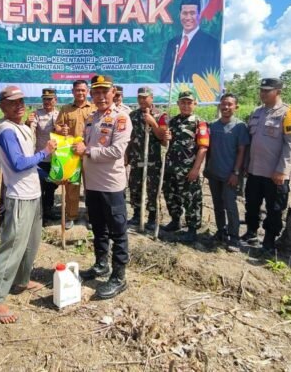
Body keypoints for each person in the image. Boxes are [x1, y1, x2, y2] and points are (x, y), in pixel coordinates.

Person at [0, 86, 57, 323]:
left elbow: (31, 165)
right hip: (19, 197)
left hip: (34, 194)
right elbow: (18, 164)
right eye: (13, 102)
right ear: (2, 106)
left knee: (30, 243)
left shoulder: (24, 129)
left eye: (21, 101)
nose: (19, 105)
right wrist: (45, 152)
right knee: (11, 247)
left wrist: (49, 177)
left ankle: (21, 280)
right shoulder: (7, 131)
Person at [73, 75, 133, 299]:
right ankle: (101, 264)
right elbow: (83, 145)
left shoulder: (121, 118)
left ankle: (119, 277)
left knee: (118, 232)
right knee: (98, 227)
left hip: (111, 185)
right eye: (95, 92)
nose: (99, 96)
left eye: (103, 92)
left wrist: (87, 151)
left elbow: (117, 152)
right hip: (93, 184)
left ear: (113, 93)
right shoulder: (91, 118)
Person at [243, 78, 291, 251]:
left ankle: (269, 239)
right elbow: (250, 141)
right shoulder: (256, 112)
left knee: (274, 208)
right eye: (261, 90)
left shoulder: (288, 113)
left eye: (267, 91)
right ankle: (251, 233)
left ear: (278, 92)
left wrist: (282, 170)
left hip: (275, 173)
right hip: (255, 170)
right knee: (251, 204)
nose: (263, 93)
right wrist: (246, 165)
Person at [161, 90, 209, 242]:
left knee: (191, 199)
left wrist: (195, 169)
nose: (186, 105)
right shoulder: (173, 122)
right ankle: (175, 221)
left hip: (188, 170)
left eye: (189, 102)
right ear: (178, 104)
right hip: (171, 168)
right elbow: (165, 143)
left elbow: (203, 148)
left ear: (195, 104)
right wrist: (165, 137)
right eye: (183, 102)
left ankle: (192, 228)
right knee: (171, 195)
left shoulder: (199, 123)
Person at [205, 93, 250, 251]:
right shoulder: (212, 125)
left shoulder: (240, 126)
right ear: (219, 105)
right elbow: (208, 150)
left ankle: (234, 237)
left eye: (230, 104)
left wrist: (236, 173)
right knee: (217, 205)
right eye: (223, 104)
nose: (226, 107)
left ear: (235, 107)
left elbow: (241, 151)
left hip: (230, 175)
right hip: (214, 173)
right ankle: (221, 231)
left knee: (230, 205)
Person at [55, 79, 95, 229]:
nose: (80, 93)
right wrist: (61, 130)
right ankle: (71, 215)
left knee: (91, 186)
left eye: (83, 90)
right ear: (73, 92)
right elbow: (57, 126)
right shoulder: (65, 109)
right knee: (72, 186)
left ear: (87, 91)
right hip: (71, 154)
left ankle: (92, 216)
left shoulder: (94, 108)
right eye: (77, 90)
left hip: (89, 153)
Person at [159, 0, 220, 83]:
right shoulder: (172, 43)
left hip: (197, 94)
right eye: (185, 13)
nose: (188, 18)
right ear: (180, 14)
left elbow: (213, 76)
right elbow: (165, 75)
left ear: (199, 14)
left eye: (192, 13)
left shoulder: (211, 43)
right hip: (172, 94)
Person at [125, 87, 163, 230]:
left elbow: (162, 137)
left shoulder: (160, 115)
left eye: (145, 97)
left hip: (152, 160)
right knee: (135, 187)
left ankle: (152, 218)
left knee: (152, 190)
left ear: (151, 98)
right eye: (140, 97)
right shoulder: (132, 115)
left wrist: (153, 122)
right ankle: (136, 215)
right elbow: (128, 138)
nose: (142, 100)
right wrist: (126, 155)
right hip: (136, 159)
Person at [26, 87, 59, 222]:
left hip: (55, 158)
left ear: (55, 100)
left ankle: (48, 210)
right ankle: (38, 213)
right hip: (40, 156)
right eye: (45, 99)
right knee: (39, 185)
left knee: (52, 186)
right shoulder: (37, 114)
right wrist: (28, 123)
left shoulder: (59, 114)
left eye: (50, 99)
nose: (47, 102)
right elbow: (30, 129)